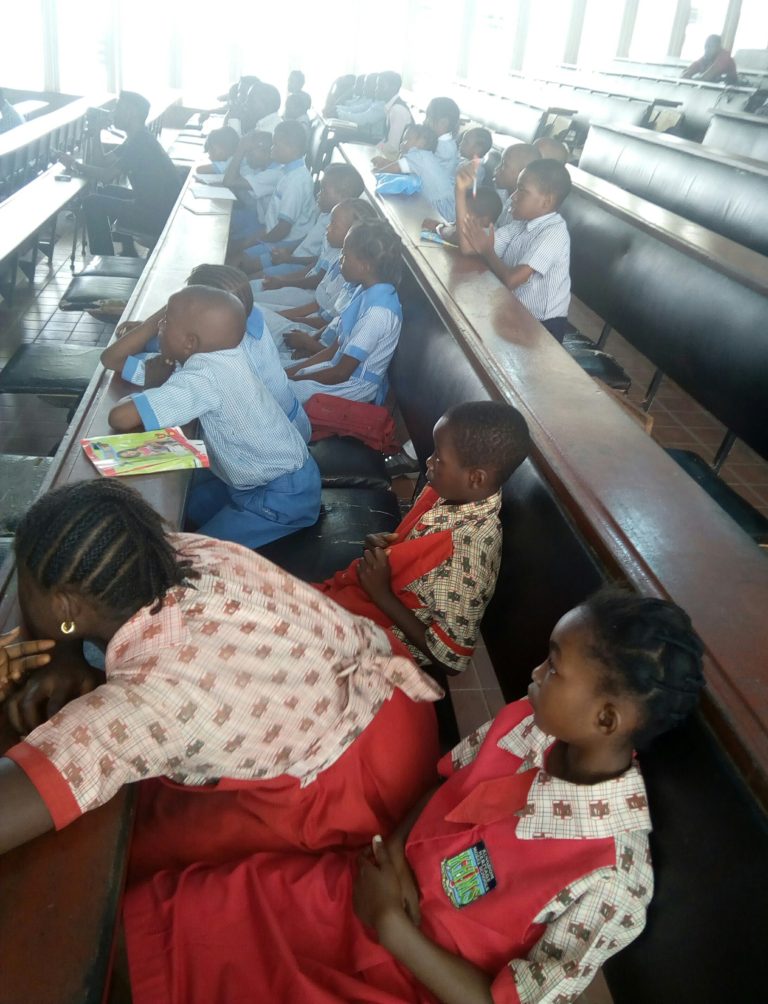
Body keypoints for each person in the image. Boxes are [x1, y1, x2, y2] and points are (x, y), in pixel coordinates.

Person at [122, 588, 705, 1004]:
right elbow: (446, 787)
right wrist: (395, 856)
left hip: (416, 979)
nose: (534, 674)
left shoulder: (612, 880)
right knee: (192, 913)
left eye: (553, 668)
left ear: (606, 718)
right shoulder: (527, 724)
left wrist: (392, 928)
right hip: (370, 885)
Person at [0, 479, 442, 875]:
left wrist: (60, 648)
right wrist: (63, 655)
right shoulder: (183, 552)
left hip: (362, 791)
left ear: (66, 607)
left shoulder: (148, 700)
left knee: (128, 853)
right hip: (403, 706)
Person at [319, 402, 529, 676]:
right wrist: (390, 546)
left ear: (476, 478)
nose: (429, 462)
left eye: (438, 458)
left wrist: (382, 594)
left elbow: (452, 660)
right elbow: (420, 553)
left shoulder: (465, 556)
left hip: (387, 641)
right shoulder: (454, 493)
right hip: (380, 598)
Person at [107, 286, 321, 548]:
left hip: (280, 499)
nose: (159, 325)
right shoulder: (226, 355)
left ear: (190, 342)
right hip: (260, 480)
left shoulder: (203, 377)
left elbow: (119, 417)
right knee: (187, 502)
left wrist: (151, 388)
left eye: (165, 322)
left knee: (187, 554)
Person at [101, 264, 312, 443]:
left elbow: (113, 359)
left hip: (267, 448)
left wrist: (157, 321)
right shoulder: (239, 323)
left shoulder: (208, 362)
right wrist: (170, 320)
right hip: (290, 429)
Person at [287, 219, 403, 405]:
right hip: (336, 370)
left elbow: (341, 373)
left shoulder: (377, 314)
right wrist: (290, 373)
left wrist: (291, 381)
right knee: (280, 378)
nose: (340, 259)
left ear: (365, 266)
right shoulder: (363, 290)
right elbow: (333, 351)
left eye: (345, 255)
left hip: (354, 388)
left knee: (280, 393)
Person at [458, 158, 573, 341]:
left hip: (543, 327)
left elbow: (512, 280)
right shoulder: (520, 225)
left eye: (522, 190)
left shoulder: (554, 234)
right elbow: (468, 246)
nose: (513, 196)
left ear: (547, 201)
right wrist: (459, 192)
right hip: (515, 309)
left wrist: (487, 251)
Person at [59, 91, 182, 256]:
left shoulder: (140, 143)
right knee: (107, 191)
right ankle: (128, 251)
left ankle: (104, 258)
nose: (113, 114)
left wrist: (74, 164)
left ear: (131, 113)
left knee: (92, 202)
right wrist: (97, 132)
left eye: (118, 109)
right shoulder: (137, 137)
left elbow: (106, 176)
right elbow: (100, 162)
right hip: (156, 206)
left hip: (157, 215)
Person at [256, 198, 378, 363]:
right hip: (314, 328)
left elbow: (328, 324)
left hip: (313, 330)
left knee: (254, 318)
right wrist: (285, 318)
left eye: (334, 224)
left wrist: (303, 337)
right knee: (254, 312)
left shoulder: (351, 277)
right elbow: (323, 310)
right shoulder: (342, 259)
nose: (328, 227)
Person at [238, 161, 364, 280]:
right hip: (293, 256)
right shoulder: (325, 214)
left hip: (300, 267)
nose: (318, 194)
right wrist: (289, 251)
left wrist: (289, 259)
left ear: (344, 195)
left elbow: (318, 262)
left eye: (323, 191)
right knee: (245, 263)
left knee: (252, 281)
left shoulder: (337, 228)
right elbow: (307, 241)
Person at [228, 120, 315, 268]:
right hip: (276, 235)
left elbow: (284, 227)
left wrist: (261, 241)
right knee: (236, 253)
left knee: (237, 263)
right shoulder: (288, 173)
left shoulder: (296, 182)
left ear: (293, 149)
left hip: (286, 243)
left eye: (276, 145)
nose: (271, 149)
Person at [375, 123, 456, 221]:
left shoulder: (417, 156)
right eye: (403, 140)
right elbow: (398, 166)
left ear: (421, 143)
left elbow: (394, 168)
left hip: (439, 209)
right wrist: (385, 162)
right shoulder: (426, 156)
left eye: (406, 139)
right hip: (449, 204)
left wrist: (376, 171)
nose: (402, 143)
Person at [422, 186, 503, 246]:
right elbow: (453, 228)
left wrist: (439, 228)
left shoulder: (486, 236)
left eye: (464, 210)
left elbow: (456, 236)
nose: (459, 213)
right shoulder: (465, 225)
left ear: (484, 221)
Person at [491, 142, 542, 227]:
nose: (497, 168)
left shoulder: (523, 210)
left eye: (504, 164)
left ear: (522, 173)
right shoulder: (501, 192)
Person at [372, 71, 414, 160]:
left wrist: (374, 151)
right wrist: (375, 149)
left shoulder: (398, 110)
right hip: (392, 156)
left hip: (398, 160)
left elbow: (393, 147)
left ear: (393, 88)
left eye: (380, 86)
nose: (376, 89)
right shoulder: (393, 107)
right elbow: (386, 140)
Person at [424, 96, 461, 176]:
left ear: (444, 123)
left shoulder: (443, 148)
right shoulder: (447, 143)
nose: (425, 122)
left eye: (429, 118)